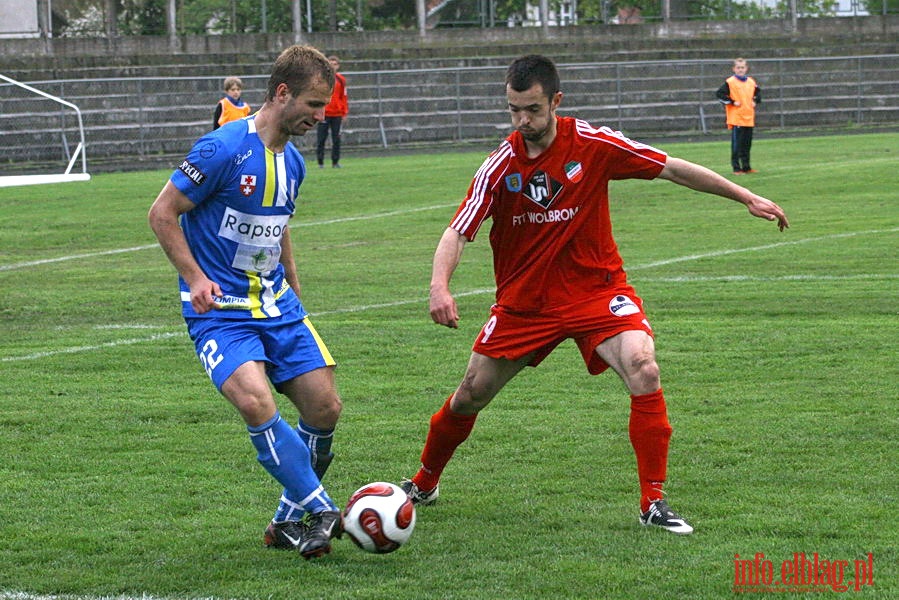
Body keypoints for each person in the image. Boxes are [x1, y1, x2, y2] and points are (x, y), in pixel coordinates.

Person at [401, 54, 789, 536]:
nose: (523, 120)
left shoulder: (593, 143)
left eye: (533, 110)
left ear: (556, 102)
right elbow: (457, 232)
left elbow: (671, 168)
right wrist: (440, 286)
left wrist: (745, 196)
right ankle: (424, 480)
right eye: (513, 110)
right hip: (527, 305)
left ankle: (653, 500)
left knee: (643, 366)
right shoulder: (500, 165)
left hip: (596, 294)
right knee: (469, 396)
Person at [148, 45, 344, 559]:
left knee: (325, 407)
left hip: (277, 305)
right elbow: (162, 214)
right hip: (221, 313)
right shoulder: (221, 149)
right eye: (314, 104)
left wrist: (295, 289)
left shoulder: (295, 163)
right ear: (282, 93)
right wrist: (194, 278)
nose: (320, 116)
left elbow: (280, 231)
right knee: (256, 401)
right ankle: (322, 508)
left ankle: (285, 521)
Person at [716, 58, 761, 174]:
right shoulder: (730, 82)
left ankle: (746, 167)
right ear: (734, 69)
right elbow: (720, 94)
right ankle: (736, 168)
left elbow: (758, 93)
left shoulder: (751, 82)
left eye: (742, 67)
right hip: (737, 118)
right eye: (738, 68)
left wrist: (755, 100)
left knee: (747, 144)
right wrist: (731, 101)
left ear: (746, 68)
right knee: (737, 145)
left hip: (749, 117)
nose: (740, 70)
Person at [315, 55, 348, 168]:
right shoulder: (321, 79)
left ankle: (335, 162)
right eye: (331, 64)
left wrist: (344, 112)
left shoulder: (341, 79)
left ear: (338, 66)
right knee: (321, 139)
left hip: (337, 114)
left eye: (335, 64)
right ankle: (320, 162)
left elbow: (343, 96)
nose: (333, 66)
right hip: (325, 113)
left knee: (336, 139)